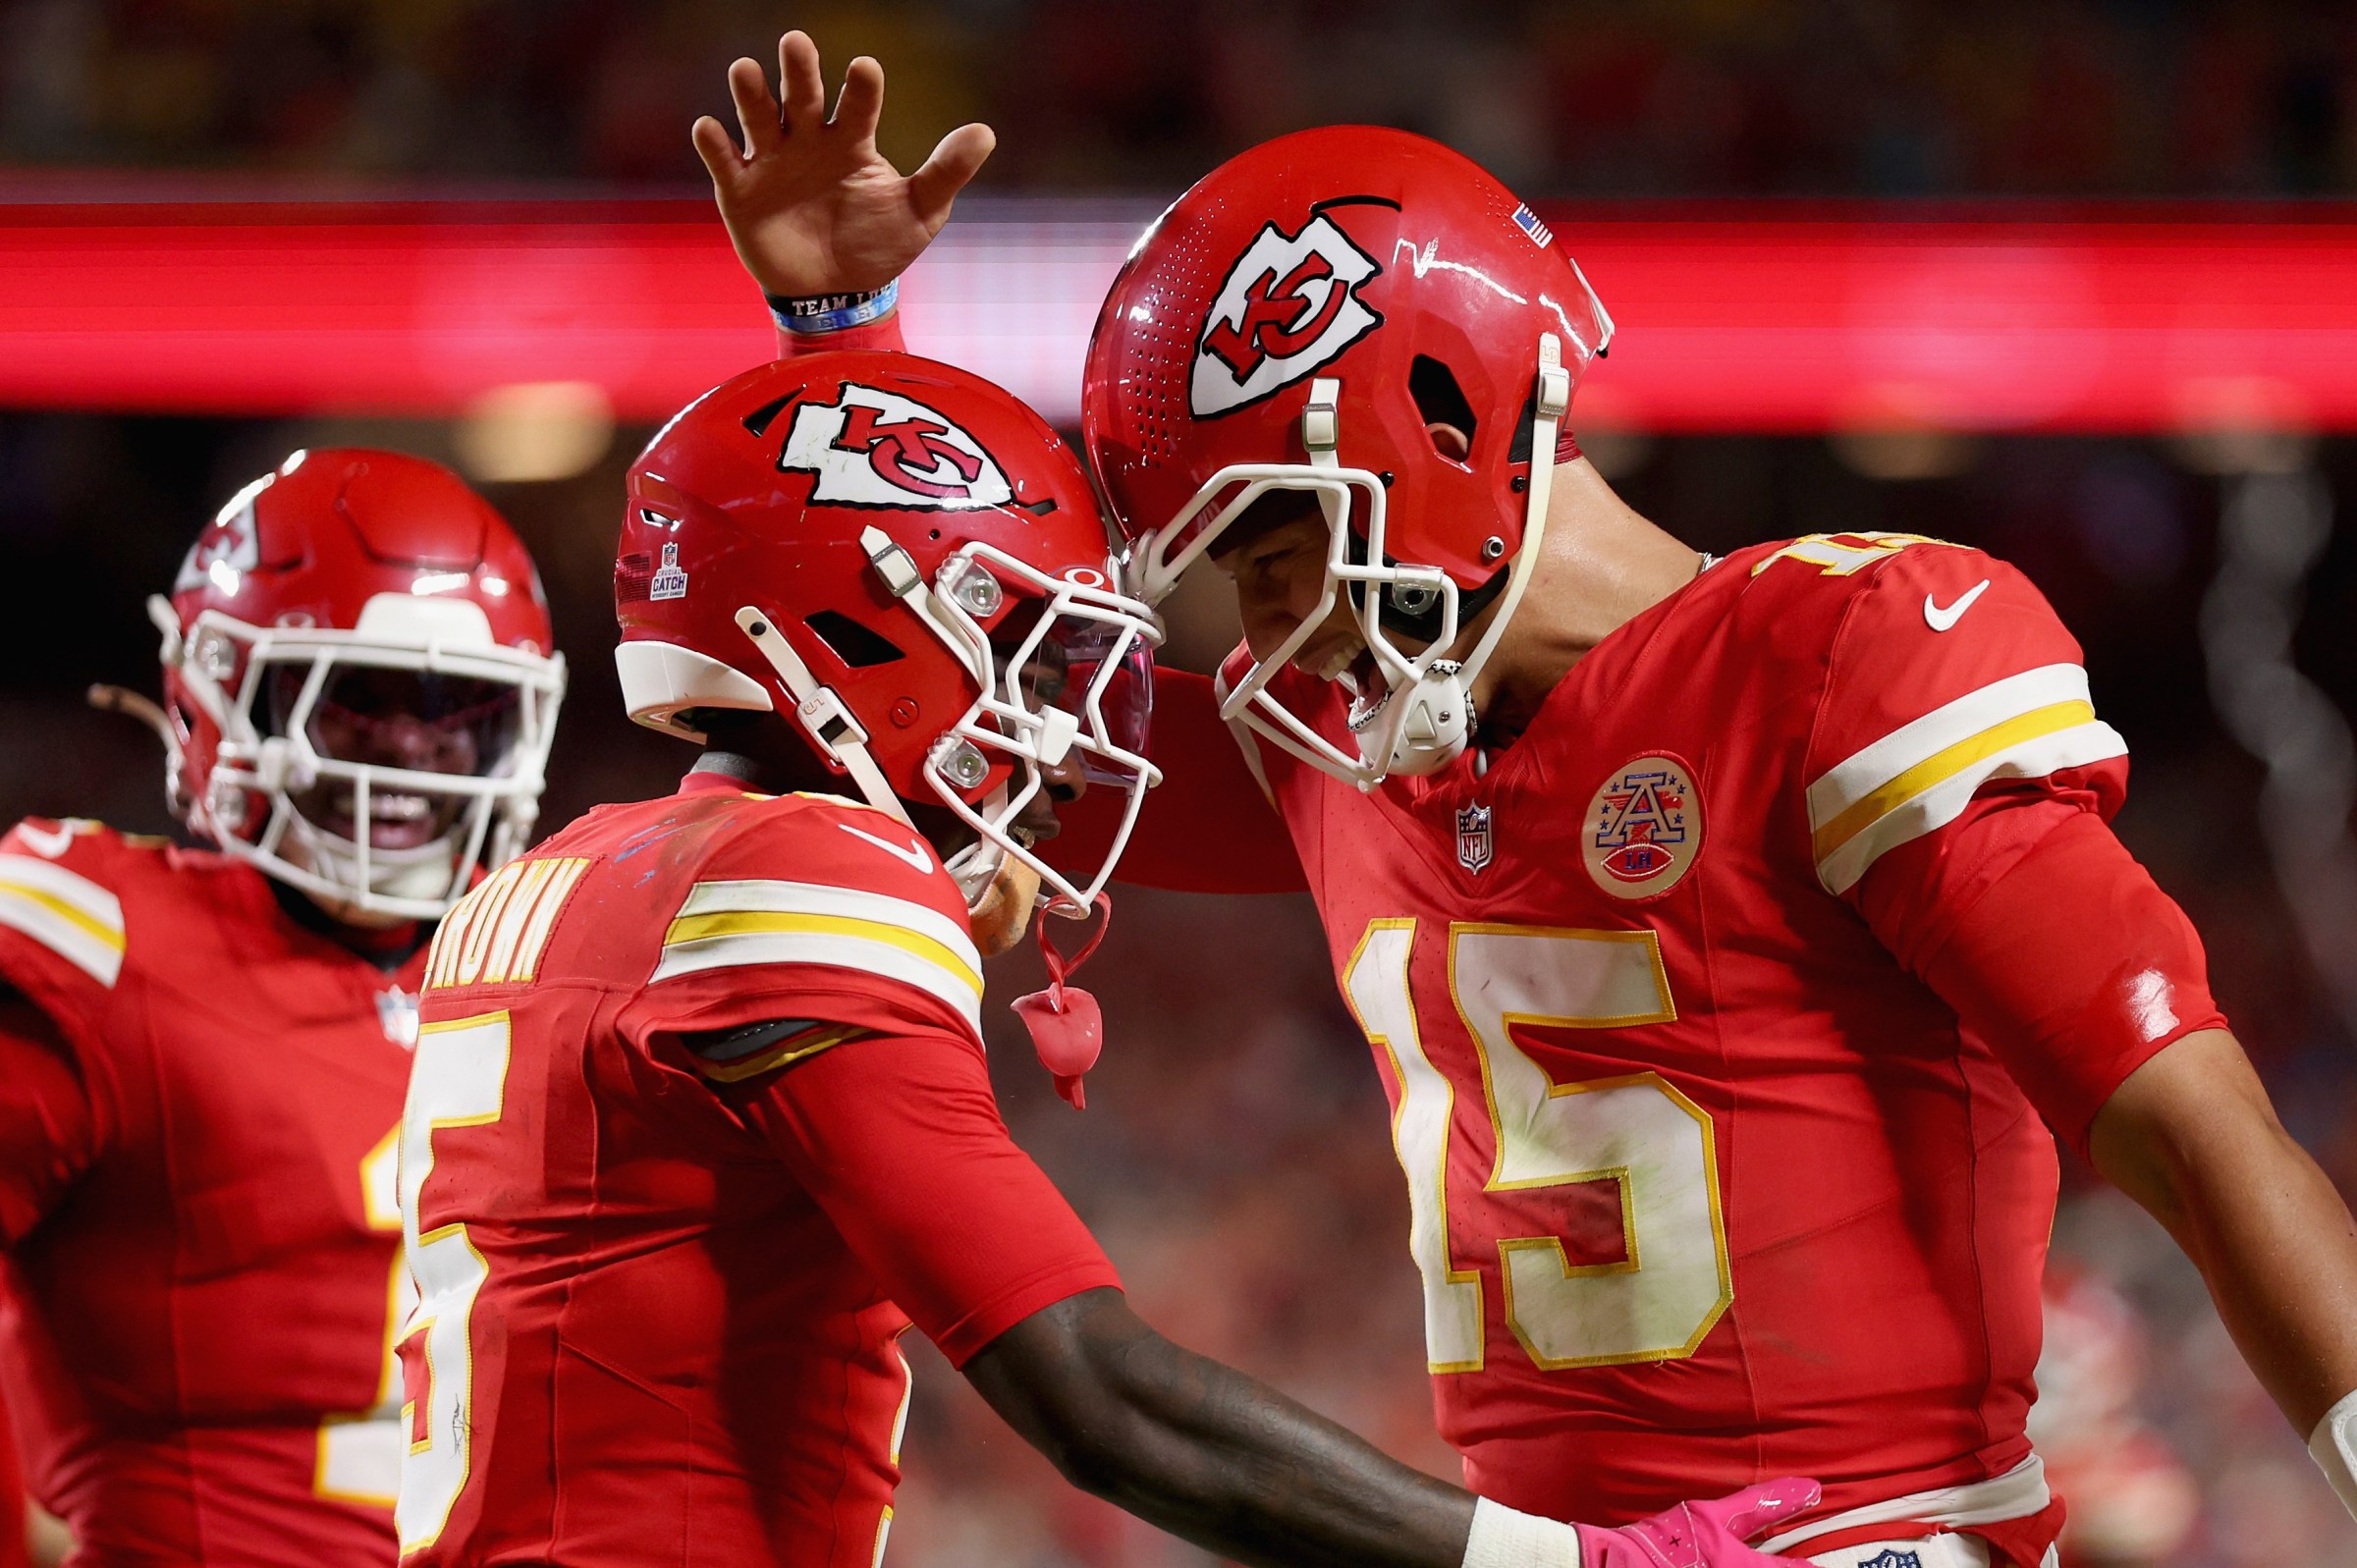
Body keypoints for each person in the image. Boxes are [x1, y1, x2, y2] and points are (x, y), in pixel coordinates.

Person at [697, 34, 2357, 1568]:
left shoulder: (1841, 654)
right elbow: (947, 727)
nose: (1264, 637)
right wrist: (844, 355)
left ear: (1447, 419)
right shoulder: (1339, 731)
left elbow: (2197, 1135)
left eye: (1276, 554)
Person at [392, 348, 1814, 1568]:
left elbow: (785, 522)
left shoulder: (564, 874)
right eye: (1025, 650)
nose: (1058, 728)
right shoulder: (800, 875)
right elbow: (1095, 1395)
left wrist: (836, 341)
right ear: (855, 635)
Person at [0, 448, 566, 1567]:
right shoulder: (98, 946)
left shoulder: (539, 967)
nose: (412, 746)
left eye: (456, 708)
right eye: (356, 696)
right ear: (219, 692)